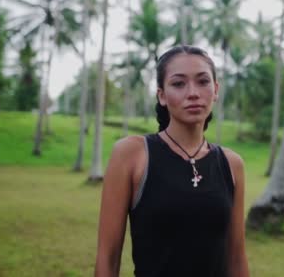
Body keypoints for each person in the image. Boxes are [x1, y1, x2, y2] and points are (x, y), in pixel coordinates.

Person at [95, 45, 249, 277]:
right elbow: (108, 256)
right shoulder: (132, 154)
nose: (193, 93)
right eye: (178, 83)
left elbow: (236, 257)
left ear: (215, 90)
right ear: (162, 95)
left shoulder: (232, 164)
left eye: (203, 81)